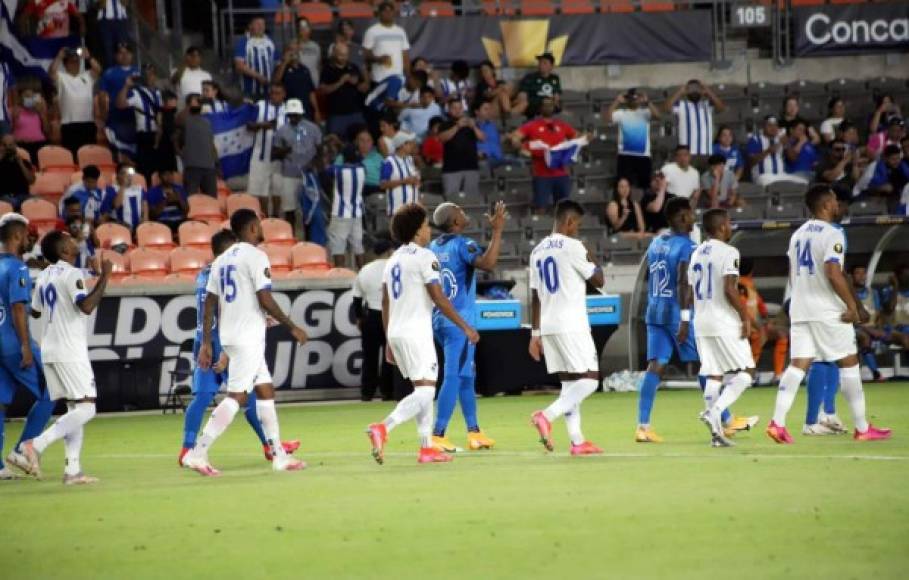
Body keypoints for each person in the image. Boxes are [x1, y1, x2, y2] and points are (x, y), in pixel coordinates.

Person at [182, 209, 309, 476]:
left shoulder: (221, 260)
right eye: (259, 225)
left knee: (264, 391)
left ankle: (278, 456)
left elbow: (210, 304)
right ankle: (198, 452)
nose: (261, 229)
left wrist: (206, 342)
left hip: (230, 336)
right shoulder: (256, 256)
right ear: (252, 228)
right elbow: (265, 298)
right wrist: (292, 326)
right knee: (237, 397)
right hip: (247, 337)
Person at [766, 185, 892, 444]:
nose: (838, 204)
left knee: (798, 365)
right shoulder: (833, 233)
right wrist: (852, 306)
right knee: (849, 363)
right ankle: (861, 427)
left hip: (801, 308)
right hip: (826, 310)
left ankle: (777, 422)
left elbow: (792, 273)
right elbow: (833, 272)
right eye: (835, 200)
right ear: (825, 205)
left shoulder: (798, 234)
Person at [365, 203, 479, 465]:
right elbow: (438, 297)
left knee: (421, 387)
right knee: (427, 392)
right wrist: (465, 326)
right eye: (426, 225)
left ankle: (427, 448)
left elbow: (384, 302)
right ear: (418, 231)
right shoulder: (425, 257)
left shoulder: (392, 260)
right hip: (416, 331)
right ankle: (384, 427)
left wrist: (388, 340)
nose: (429, 230)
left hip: (396, 330)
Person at [21, 231, 113, 484]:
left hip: (50, 348)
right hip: (70, 349)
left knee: (74, 408)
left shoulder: (44, 276)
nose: (73, 240)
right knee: (87, 407)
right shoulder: (71, 274)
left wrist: (90, 275)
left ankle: (73, 470)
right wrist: (105, 276)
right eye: (68, 239)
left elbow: (37, 313)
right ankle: (36, 445)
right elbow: (86, 306)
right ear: (63, 250)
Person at [527, 200, 605, 455]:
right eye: (577, 225)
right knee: (591, 380)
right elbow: (599, 280)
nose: (577, 230)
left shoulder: (537, 250)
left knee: (570, 386)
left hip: (548, 325)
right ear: (569, 222)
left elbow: (535, 295)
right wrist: (588, 251)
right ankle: (546, 416)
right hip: (571, 324)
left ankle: (577, 441)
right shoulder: (573, 247)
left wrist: (534, 334)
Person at [428, 201, 507, 453]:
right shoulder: (463, 244)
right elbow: (488, 264)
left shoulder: (433, 247)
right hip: (459, 322)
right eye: (460, 211)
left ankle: (474, 432)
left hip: (440, 318)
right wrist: (497, 231)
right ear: (455, 222)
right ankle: (438, 434)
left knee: (465, 376)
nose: (464, 211)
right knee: (453, 375)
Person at [690, 209, 756, 447]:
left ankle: (716, 435)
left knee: (714, 373)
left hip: (701, 320)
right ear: (721, 226)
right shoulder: (729, 252)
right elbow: (729, 289)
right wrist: (745, 317)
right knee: (748, 371)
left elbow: (690, 290)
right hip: (722, 319)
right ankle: (715, 411)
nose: (731, 227)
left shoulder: (696, 253)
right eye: (728, 223)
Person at [636, 197, 700, 443]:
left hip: (654, 311)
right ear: (682, 217)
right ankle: (723, 419)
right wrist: (685, 319)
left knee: (657, 364)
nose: (693, 218)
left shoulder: (656, 243)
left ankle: (643, 426)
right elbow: (684, 282)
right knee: (708, 363)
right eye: (690, 214)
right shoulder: (687, 246)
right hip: (676, 312)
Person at [0, 214, 55, 481]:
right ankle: (23, 448)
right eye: (25, 236)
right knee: (53, 390)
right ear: (16, 237)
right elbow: (18, 307)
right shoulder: (17, 268)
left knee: (0, 403)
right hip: (14, 343)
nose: (28, 240)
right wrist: (24, 345)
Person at [511, 96, 578, 214]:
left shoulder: (561, 125)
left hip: (561, 173)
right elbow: (516, 137)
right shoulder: (532, 125)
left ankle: (560, 232)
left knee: (563, 209)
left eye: (550, 104)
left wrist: (568, 148)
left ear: (554, 107)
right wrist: (522, 147)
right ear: (541, 108)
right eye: (545, 104)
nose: (548, 107)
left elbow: (576, 137)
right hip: (542, 174)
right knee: (540, 208)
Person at [353, 238, 394, 401]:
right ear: (389, 251)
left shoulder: (365, 270)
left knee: (369, 356)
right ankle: (387, 391)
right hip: (390, 315)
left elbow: (356, 298)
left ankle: (367, 392)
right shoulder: (393, 267)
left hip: (371, 316)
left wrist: (359, 318)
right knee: (389, 355)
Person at [270, 98, 321, 223]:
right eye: (290, 115)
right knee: (289, 209)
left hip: (309, 175)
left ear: (301, 114)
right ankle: (291, 235)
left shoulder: (313, 128)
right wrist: (284, 150)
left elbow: (320, 150)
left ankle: (309, 239)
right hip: (289, 174)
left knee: (309, 208)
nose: (293, 118)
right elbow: (274, 154)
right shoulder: (281, 131)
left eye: (295, 115)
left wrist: (314, 164)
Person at [49, 46, 101, 158]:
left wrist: (88, 57)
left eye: (77, 62)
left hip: (87, 123)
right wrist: (59, 57)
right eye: (72, 62)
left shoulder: (87, 76)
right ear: (65, 64)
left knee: (90, 157)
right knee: (72, 157)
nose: (75, 64)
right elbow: (52, 71)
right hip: (69, 125)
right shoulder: (61, 77)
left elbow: (98, 69)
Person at [115, 64, 162, 183]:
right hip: (145, 135)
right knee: (145, 168)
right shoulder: (137, 93)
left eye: (152, 73)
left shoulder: (158, 93)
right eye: (147, 73)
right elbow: (120, 104)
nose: (150, 76)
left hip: (158, 135)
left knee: (158, 169)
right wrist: (126, 86)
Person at [608, 88, 660, 190]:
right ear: (627, 99)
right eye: (631, 98)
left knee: (645, 187)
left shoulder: (645, 112)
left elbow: (658, 116)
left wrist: (647, 102)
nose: (634, 100)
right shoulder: (621, 113)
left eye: (636, 98)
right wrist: (617, 101)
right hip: (625, 156)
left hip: (643, 156)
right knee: (623, 187)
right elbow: (608, 117)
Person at [247, 83, 287, 213]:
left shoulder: (288, 110)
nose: (274, 96)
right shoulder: (260, 106)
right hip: (260, 156)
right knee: (260, 191)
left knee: (278, 190)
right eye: (272, 93)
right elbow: (248, 125)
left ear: (284, 95)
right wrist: (265, 125)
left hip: (281, 159)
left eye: (277, 93)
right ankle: (264, 217)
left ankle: (275, 218)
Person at [665, 79, 726, 161]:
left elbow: (721, 107)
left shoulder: (707, 104)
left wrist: (708, 91)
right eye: (691, 89)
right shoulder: (681, 105)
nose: (694, 92)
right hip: (687, 154)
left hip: (706, 152)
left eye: (697, 89)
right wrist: (680, 92)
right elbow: (666, 108)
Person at [319, 43, 370, 139]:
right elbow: (323, 90)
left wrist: (358, 84)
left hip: (355, 111)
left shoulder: (353, 67)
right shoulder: (327, 69)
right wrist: (340, 82)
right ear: (334, 54)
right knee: (335, 142)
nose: (343, 58)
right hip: (337, 114)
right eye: (341, 55)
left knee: (362, 138)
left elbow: (364, 87)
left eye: (346, 55)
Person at [99, 42, 139, 161]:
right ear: (116, 56)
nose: (124, 55)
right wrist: (103, 116)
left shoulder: (139, 71)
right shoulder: (109, 73)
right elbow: (102, 95)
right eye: (121, 53)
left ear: (132, 55)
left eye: (127, 53)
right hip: (117, 117)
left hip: (136, 117)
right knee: (121, 151)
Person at [328, 143, 366, 269]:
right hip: (357, 214)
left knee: (338, 246)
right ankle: (362, 273)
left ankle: (340, 277)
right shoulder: (362, 169)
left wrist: (333, 153)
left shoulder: (338, 170)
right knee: (358, 246)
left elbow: (324, 169)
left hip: (340, 214)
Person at [439, 98, 484, 198]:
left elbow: (482, 138)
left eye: (460, 108)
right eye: (454, 108)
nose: (457, 110)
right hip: (451, 169)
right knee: (451, 201)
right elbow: (442, 138)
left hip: (471, 168)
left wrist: (474, 127)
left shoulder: (471, 124)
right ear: (449, 110)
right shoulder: (444, 124)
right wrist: (457, 126)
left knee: (472, 199)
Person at [176, 94, 218, 198]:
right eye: (195, 101)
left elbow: (211, 143)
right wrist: (180, 153)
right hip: (192, 167)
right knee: (191, 199)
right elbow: (177, 124)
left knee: (211, 199)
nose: (198, 102)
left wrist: (217, 163)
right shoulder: (185, 120)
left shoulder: (207, 122)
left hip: (209, 167)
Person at [747, 115, 806, 187]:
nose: (773, 128)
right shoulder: (755, 139)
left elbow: (793, 158)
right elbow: (751, 162)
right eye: (770, 125)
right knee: (768, 181)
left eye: (775, 125)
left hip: (781, 175)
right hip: (763, 176)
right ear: (763, 126)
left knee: (803, 182)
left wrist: (787, 144)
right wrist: (768, 151)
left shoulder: (781, 138)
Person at [362, 1, 411, 84]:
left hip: (398, 77)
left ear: (394, 13)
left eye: (390, 11)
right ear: (379, 13)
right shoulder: (372, 31)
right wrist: (378, 59)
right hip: (379, 78)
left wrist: (408, 75)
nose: (388, 13)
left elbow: (405, 55)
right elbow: (365, 54)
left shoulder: (400, 31)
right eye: (384, 11)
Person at [274, 42, 320, 122]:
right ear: (285, 52)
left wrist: (316, 110)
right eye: (291, 50)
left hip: (305, 110)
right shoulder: (280, 67)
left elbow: (311, 92)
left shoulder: (305, 69)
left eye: (296, 50)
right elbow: (275, 82)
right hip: (288, 110)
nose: (294, 52)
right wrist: (285, 62)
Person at [857, 144, 909, 213]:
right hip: (872, 198)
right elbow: (862, 187)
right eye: (893, 159)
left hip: (895, 199)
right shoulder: (875, 167)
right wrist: (880, 188)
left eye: (898, 158)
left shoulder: (902, 166)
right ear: (885, 158)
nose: (897, 161)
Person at [234, 17, 276, 100]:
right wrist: (259, 77)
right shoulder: (243, 42)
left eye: (263, 24)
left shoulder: (270, 41)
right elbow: (239, 66)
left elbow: (276, 62)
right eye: (258, 24)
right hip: (249, 91)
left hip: (269, 91)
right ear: (250, 26)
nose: (261, 26)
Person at [380, 132, 420, 216]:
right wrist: (404, 181)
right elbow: (383, 184)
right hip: (397, 211)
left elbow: (415, 182)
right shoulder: (389, 162)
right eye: (409, 143)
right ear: (402, 145)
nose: (412, 146)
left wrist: (416, 181)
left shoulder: (409, 159)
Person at [514, 53, 561, 119]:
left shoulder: (555, 78)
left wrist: (556, 103)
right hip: (534, 106)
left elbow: (556, 96)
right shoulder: (530, 77)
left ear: (551, 66)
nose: (541, 65)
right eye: (540, 62)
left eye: (544, 63)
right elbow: (522, 95)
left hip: (550, 106)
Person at [11, 83, 50, 164]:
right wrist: (14, 117)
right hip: (21, 145)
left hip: (39, 144)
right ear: (20, 98)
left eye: (32, 97)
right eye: (26, 96)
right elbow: (8, 131)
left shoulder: (39, 111)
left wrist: (42, 114)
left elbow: (47, 130)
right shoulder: (14, 111)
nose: (29, 99)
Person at [815, 138, 861, 202]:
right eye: (837, 150)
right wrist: (845, 161)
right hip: (829, 198)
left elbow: (856, 178)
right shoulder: (823, 164)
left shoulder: (847, 165)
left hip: (848, 198)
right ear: (830, 150)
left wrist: (855, 163)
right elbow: (831, 177)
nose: (841, 152)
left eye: (843, 149)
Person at [0, 134, 36, 209]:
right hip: (4, 196)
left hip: (23, 195)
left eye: (11, 145)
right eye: (5, 145)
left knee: (39, 201)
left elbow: (31, 180)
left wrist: (20, 163)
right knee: (13, 202)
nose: (8, 148)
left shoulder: (24, 162)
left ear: (15, 146)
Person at [19, 0, 85, 39]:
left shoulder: (65, 1)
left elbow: (79, 16)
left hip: (63, 41)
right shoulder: (37, 1)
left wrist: (82, 26)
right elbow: (24, 16)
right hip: (44, 38)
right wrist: (24, 34)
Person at [110, 163, 146, 230]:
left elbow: (145, 211)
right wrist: (123, 186)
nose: (127, 176)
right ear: (117, 176)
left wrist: (142, 225)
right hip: (121, 227)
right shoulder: (112, 189)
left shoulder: (140, 189)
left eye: (128, 173)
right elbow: (116, 205)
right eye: (123, 173)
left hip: (138, 227)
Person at [95, 0, 131, 66]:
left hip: (121, 20)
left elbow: (126, 3)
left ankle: (123, 71)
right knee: (108, 50)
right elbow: (99, 6)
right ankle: (111, 72)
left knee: (123, 48)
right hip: (105, 21)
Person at [294, 16, 322, 86]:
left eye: (306, 27)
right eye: (301, 27)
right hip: (300, 84)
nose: (304, 30)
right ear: (297, 30)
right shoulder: (293, 46)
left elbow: (319, 66)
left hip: (315, 84)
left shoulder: (316, 46)